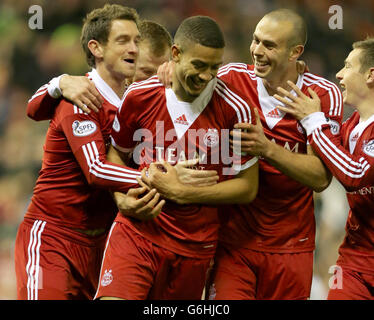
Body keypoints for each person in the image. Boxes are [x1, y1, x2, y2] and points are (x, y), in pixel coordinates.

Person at [157, 9, 342, 300]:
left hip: (291, 246)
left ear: (296, 52)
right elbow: (182, 90)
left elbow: (320, 177)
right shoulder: (231, 79)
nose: (256, 51)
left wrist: (266, 148)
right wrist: (171, 70)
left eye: (269, 45)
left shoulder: (323, 94)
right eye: (256, 41)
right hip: (234, 243)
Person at [94, 15, 259, 300]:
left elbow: (248, 187)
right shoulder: (139, 96)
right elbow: (116, 155)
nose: (206, 76)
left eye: (214, 67)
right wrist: (122, 201)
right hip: (138, 233)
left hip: (194, 245)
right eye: (199, 65)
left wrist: (183, 191)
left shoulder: (235, 110)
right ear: (176, 54)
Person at [14, 4, 166, 300]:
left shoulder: (139, 103)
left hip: (103, 244)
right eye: (123, 41)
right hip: (53, 239)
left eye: (136, 40)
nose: (133, 48)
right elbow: (96, 170)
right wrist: (158, 180)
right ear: (96, 48)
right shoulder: (80, 97)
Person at [275, 38, 374, 300]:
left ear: (370, 75)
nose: (340, 74)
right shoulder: (352, 125)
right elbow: (326, 147)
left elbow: (355, 174)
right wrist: (299, 79)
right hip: (356, 259)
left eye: (348, 66)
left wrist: (313, 120)